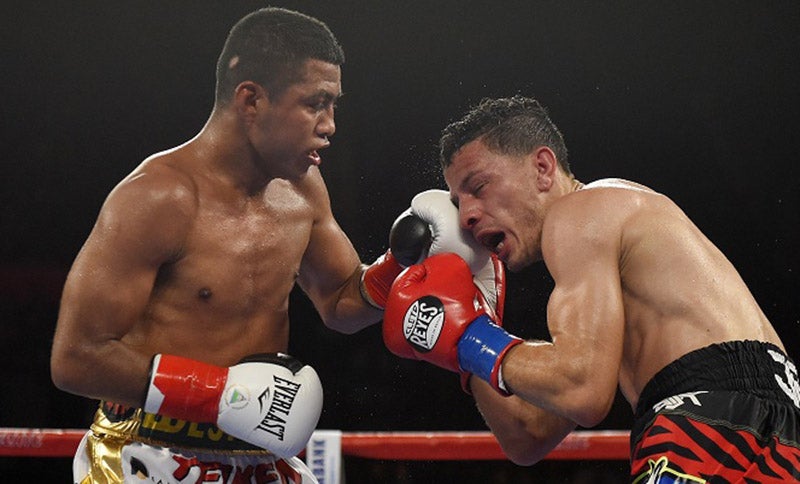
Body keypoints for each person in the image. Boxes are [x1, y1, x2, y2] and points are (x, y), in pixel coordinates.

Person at [50, 8, 416, 483]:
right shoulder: (157, 198)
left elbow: (341, 300)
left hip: (258, 457)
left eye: (334, 106)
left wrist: (405, 263)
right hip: (151, 453)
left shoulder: (303, 187)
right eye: (315, 103)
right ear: (251, 100)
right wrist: (218, 395)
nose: (330, 125)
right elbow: (76, 357)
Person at [382, 95, 800, 482]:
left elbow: (583, 390)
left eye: (478, 187)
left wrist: (470, 336)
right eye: (458, 201)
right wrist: (462, 336)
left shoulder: (580, 211)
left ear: (543, 168)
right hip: (777, 431)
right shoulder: (619, 257)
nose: (468, 215)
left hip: (708, 420)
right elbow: (529, 436)